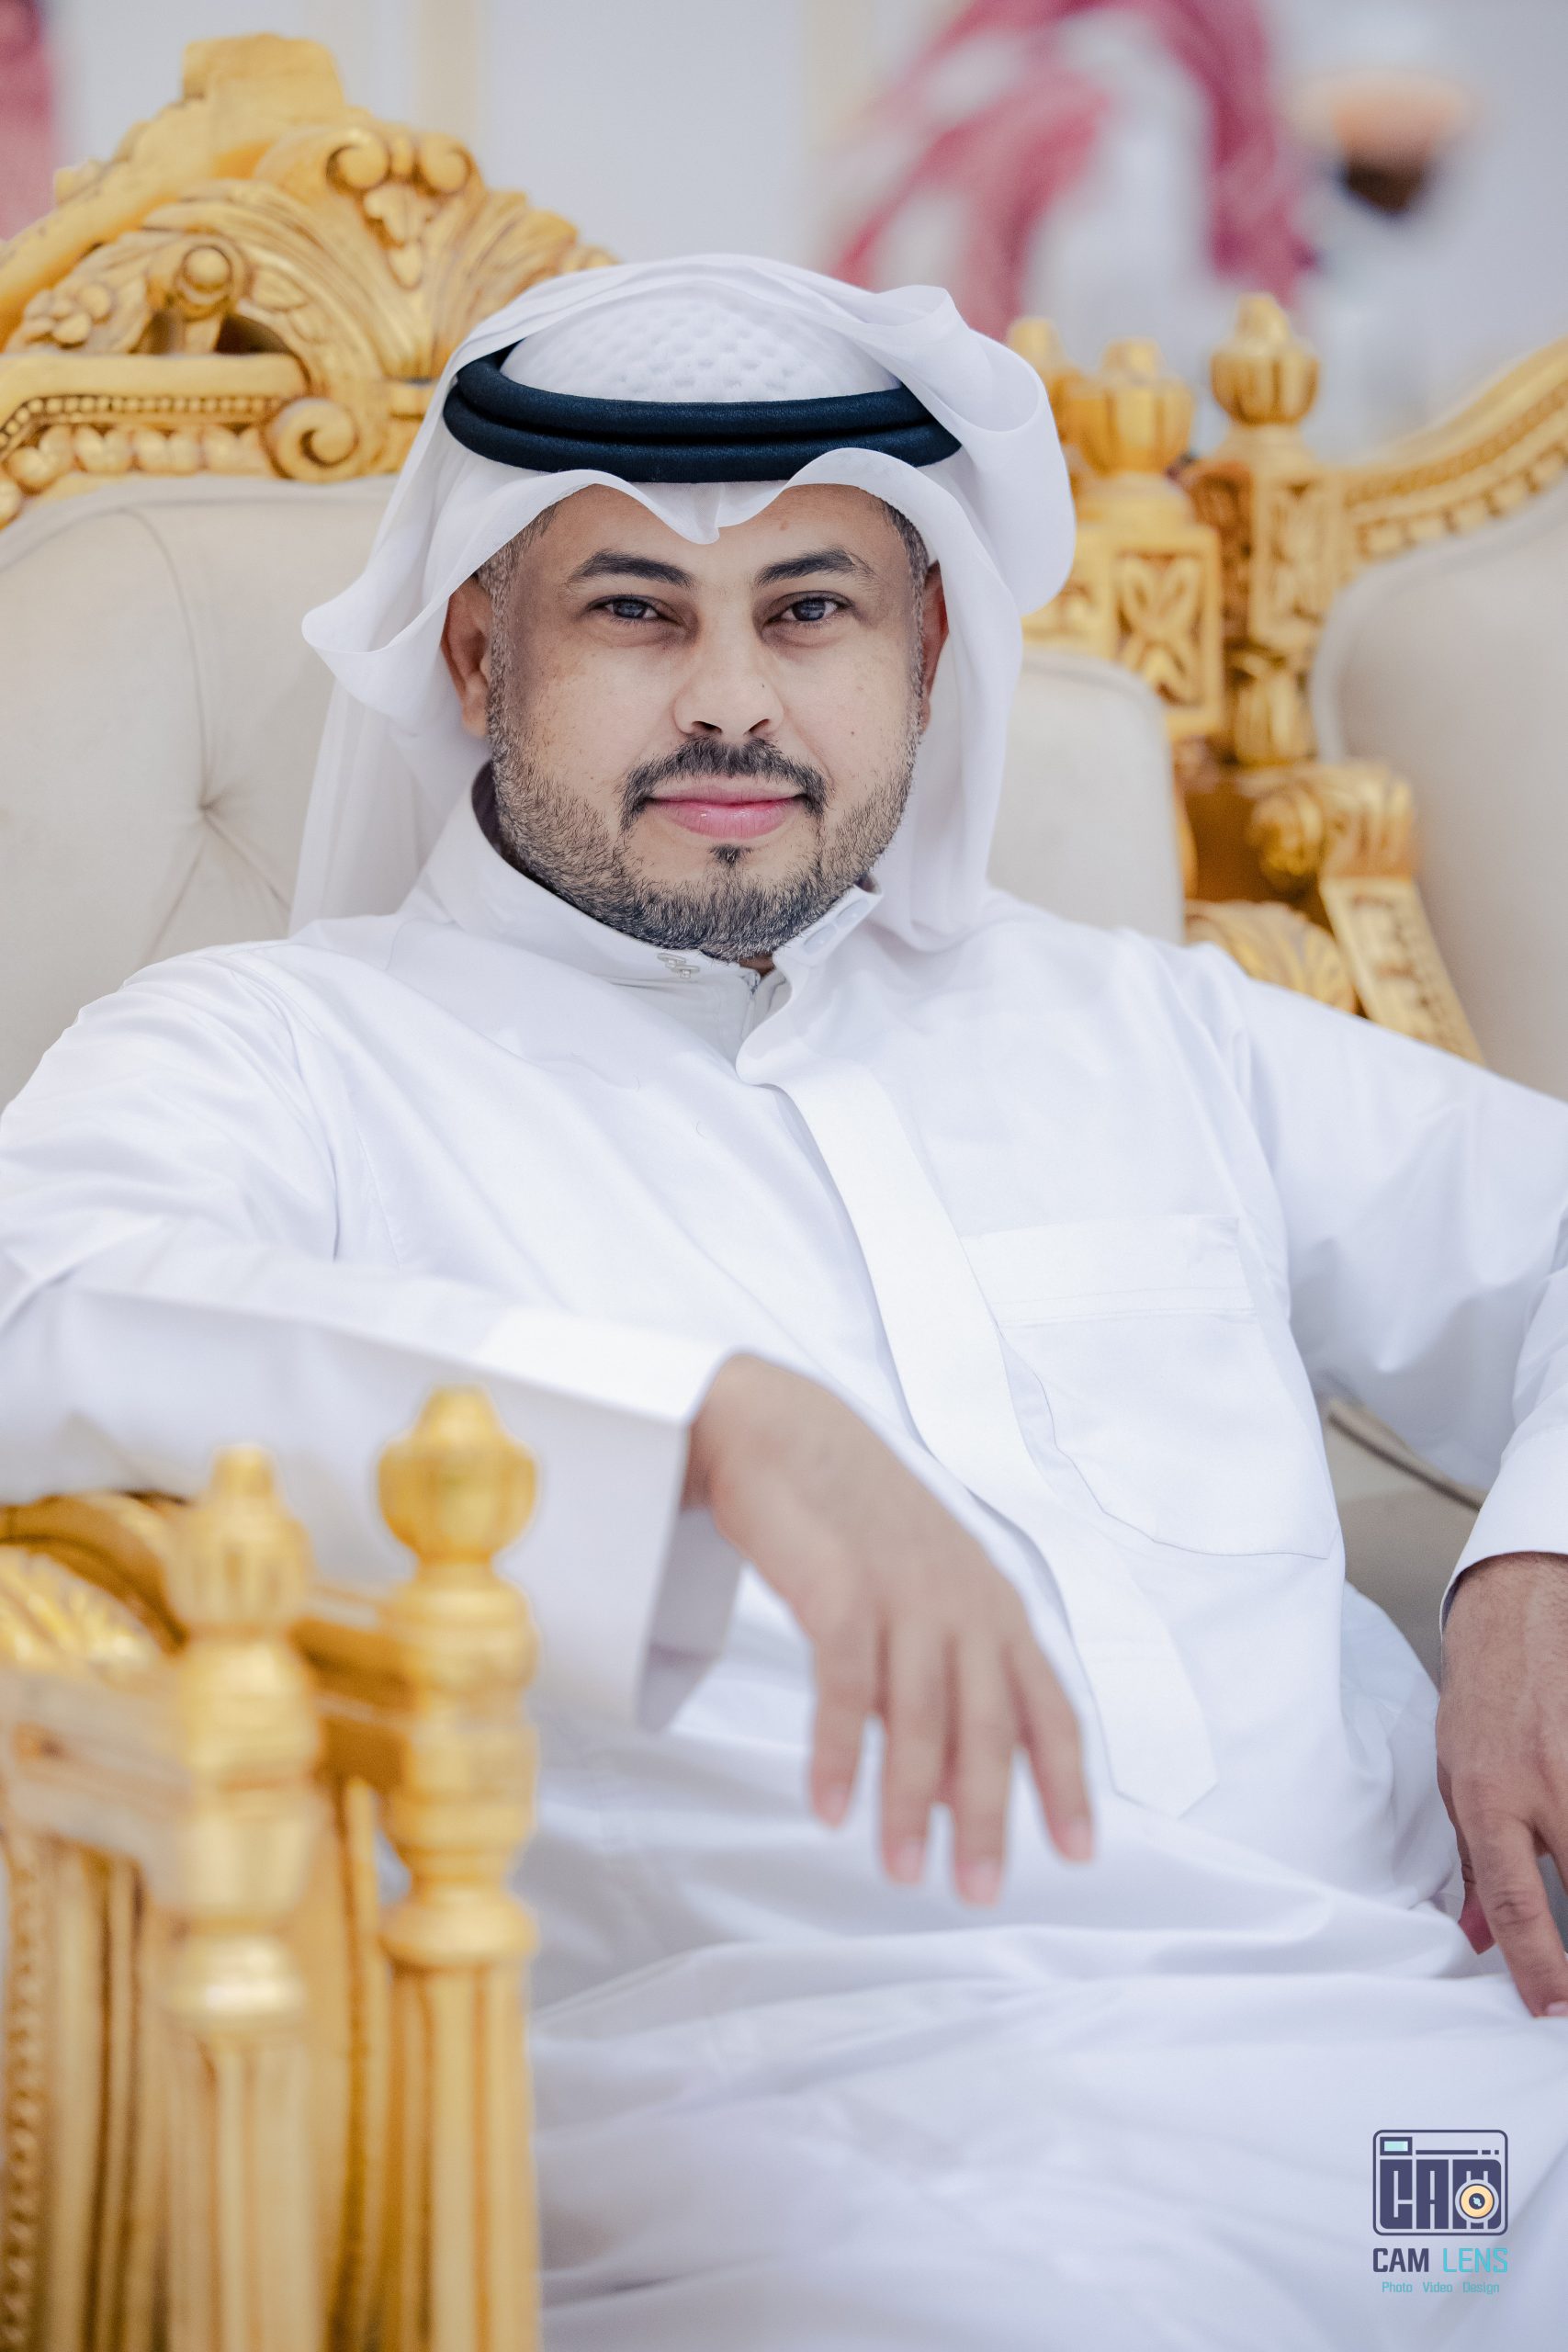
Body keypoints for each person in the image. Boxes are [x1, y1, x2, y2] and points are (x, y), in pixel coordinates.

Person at [1, 255, 1566, 2346]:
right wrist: (701, 1431)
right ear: (475, 648)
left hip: (1435, 2102)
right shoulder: (281, 1054)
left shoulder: (1146, 1026)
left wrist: (1530, 1558)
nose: (729, 701)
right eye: (635, 612)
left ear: (927, 647)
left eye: (809, 610)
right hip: (840, 2132)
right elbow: (46, 1310)